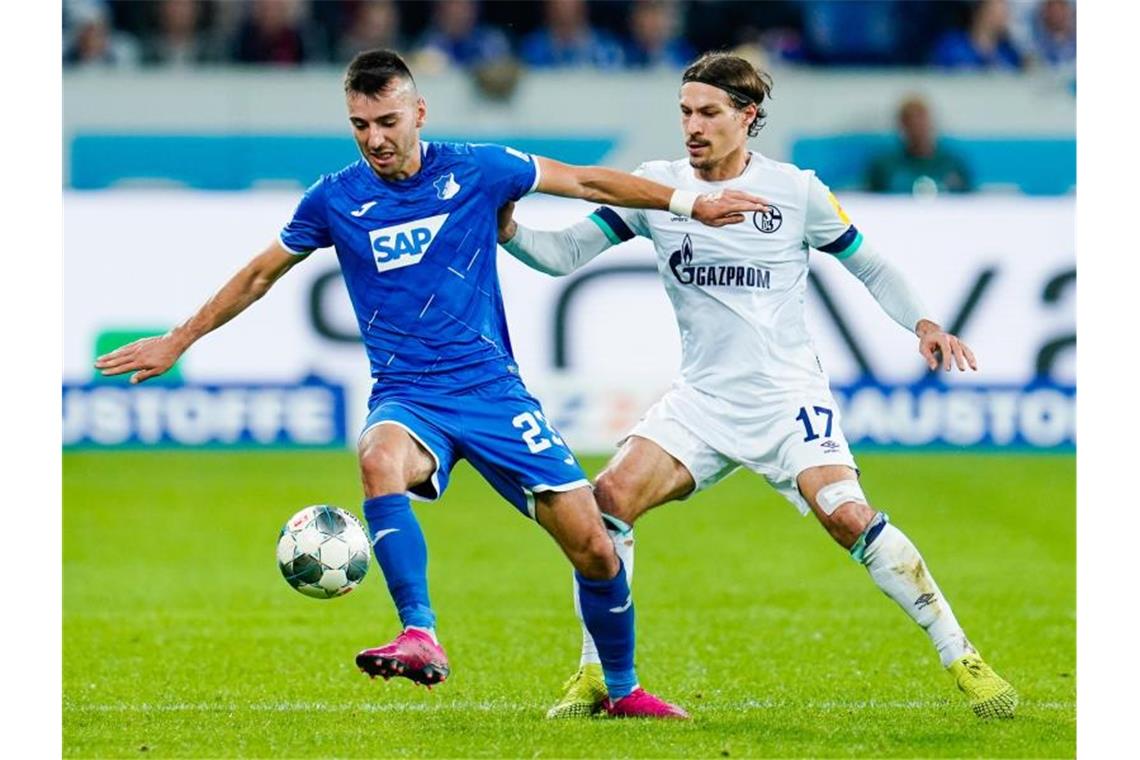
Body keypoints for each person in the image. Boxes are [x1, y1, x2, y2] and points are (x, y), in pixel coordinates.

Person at [94, 49, 765, 719]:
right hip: (409, 397)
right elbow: (260, 273)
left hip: (494, 395)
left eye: (387, 120)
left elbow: (588, 184)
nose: (375, 139)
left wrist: (690, 202)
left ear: (419, 111)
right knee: (378, 456)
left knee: (594, 546)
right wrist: (179, 339)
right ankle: (419, 632)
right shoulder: (335, 198)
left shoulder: (479, 169)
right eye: (360, 125)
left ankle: (621, 692)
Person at [496, 51, 1018, 720]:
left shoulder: (795, 191)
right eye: (685, 111)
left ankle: (962, 657)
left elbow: (872, 266)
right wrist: (508, 228)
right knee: (606, 505)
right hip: (701, 403)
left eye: (708, 112)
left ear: (746, 117)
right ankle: (598, 675)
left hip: (787, 400)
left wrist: (923, 323)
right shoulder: (657, 189)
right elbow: (561, 255)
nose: (693, 125)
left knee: (846, 515)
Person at [865, 95, 973, 195]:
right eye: (911, 122)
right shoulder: (884, 168)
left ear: (931, 123)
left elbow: (972, 204)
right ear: (902, 126)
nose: (917, 129)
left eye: (921, 122)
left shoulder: (953, 166)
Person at [930, 0, 1023, 70]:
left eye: (1004, 13)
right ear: (979, 12)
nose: (1000, 18)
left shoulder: (1008, 53)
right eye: (993, 12)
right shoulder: (951, 46)